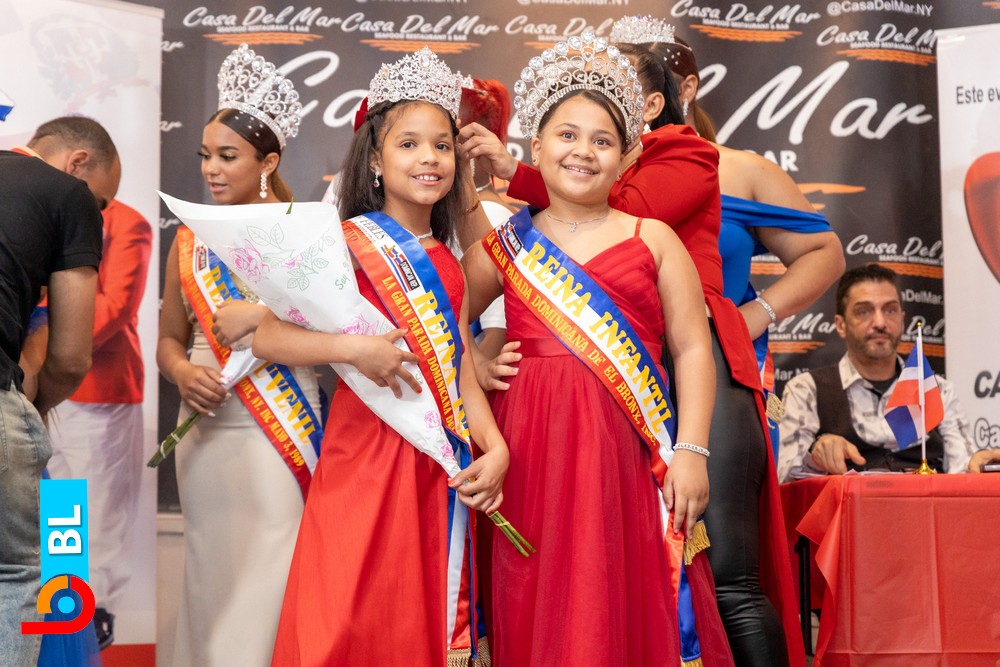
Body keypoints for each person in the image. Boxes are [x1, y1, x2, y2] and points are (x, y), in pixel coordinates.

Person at [461, 19, 806, 665]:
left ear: (626, 157)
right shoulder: (505, 242)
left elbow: (692, 349)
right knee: (540, 591)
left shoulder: (653, 238)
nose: (582, 151)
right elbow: (447, 324)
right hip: (530, 443)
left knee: (622, 584)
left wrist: (692, 452)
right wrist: (477, 360)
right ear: (535, 146)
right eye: (566, 135)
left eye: (602, 140)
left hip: (627, 442)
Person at [254, 48, 509, 666]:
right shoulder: (342, 244)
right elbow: (266, 337)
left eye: (442, 146)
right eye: (409, 144)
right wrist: (351, 350)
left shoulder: (449, 261)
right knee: (343, 616)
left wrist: (495, 445)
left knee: (414, 614)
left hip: (434, 460)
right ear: (375, 158)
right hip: (363, 452)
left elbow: (459, 369)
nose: (429, 158)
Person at [157, 44, 322, 667]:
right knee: (210, 574)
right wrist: (181, 371)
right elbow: (169, 338)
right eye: (205, 155)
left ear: (267, 162)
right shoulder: (189, 238)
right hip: (205, 428)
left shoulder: (306, 232)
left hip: (282, 425)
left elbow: (333, 330)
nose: (211, 169)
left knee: (273, 571)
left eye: (227, 156)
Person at [0, 115, 115, 665]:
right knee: (15, 573)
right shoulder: (66, 196)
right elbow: (70, 357)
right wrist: (29, 411)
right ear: (78, 164)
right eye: (100, 203)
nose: (97, 216)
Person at [44, 197, 152, 650]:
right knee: (57, 507)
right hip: (41, 388)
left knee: (101, 510)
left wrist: (42, 337)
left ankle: (96, 612)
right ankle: (60, 606)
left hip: (101, 392)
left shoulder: (128, 223)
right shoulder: (48, 209)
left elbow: (116, 306)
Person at [778, 264, 996, 480]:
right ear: (841, 324)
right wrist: (815, 459)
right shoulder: (807, 389)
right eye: (864, 311)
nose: (880, 323)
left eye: (890, 310)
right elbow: (783, 479)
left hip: (924, 503)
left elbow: (964, 473)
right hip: (851, 504)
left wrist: (981, 466)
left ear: (902, 319)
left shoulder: (937, 389)